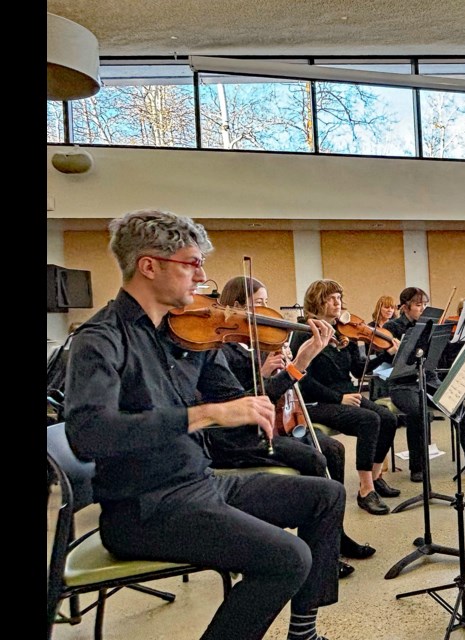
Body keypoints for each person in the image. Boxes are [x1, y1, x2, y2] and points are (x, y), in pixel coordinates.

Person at [63, 209, 345, 640]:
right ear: (149, 265)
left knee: (325, 495)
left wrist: (289, 369)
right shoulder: (100, 339)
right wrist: (205, 414)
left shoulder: (195, 335)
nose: (203, 277)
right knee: (288, 557)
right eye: (192, 263)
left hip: (200, 482)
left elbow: (239, 408)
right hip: (143, 509)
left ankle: (303, 633)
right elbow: (88, 435)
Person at [205, 275, 375, 575]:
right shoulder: (220, 350)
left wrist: (279, 372)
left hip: (269, 426)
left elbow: (276, 394)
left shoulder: (257, 343)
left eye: (266, 302)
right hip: (237, 438)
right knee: (314, 458)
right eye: (258, 304)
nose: (265, 310)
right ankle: (321, 557)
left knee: (333, 450)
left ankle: (335, 536)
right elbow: (243, 403)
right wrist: (287, 367)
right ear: (234, 307)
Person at [291, 279, 402, 516]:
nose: (337, 302)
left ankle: (375, 476)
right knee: (369, 420)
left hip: (345, 394)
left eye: (339, 297)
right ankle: (365, 489)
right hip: (315, 401)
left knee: (389, 419)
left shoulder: (344, 332)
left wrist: (385, 354)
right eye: (330, 298)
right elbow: (304, 381)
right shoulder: (304, 333)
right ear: (316, 301)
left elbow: (357, 369)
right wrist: (339, 398)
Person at [382, 287, 465, 481]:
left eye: (425, 304)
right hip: (402, 384)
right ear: (405, 307)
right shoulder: (392, 328)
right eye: (418, 305)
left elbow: (437, 356)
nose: (423, 308)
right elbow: (382, 359)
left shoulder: (432, 326)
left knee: (457, 403)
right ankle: (418, 466)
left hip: (429, 378)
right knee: (418, 412)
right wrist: (393, 351)